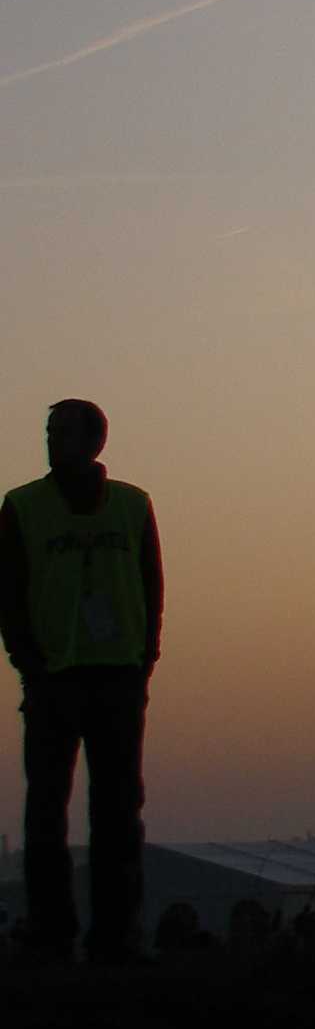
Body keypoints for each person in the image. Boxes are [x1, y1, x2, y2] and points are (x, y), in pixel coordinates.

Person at [2, 400, 164, 964]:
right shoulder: (22, 507)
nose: (51, 442)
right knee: (46, 813)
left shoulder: (133, 505)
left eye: (62, 433)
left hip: (118, 676)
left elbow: (151, 585)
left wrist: (145, 660)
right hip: (53, 678)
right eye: (48, 432)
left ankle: (116, 937)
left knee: (118, 813)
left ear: (95, 441)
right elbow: (10, 595)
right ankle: (51, 934)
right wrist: (29, 663)